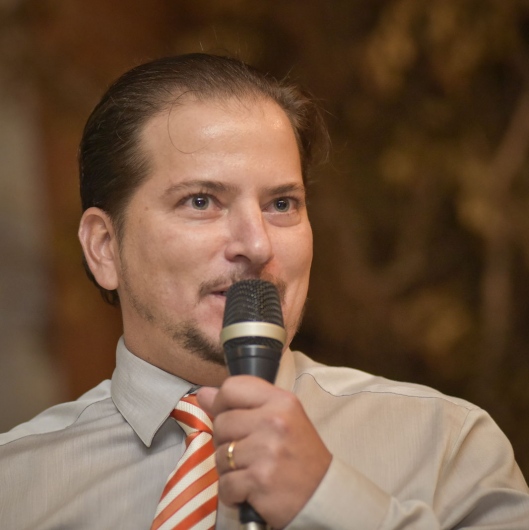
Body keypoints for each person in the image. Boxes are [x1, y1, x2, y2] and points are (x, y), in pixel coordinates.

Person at [1, 53, 528, 530]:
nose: (257, 245)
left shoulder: (445, 446)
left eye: (281, 204)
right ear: (104, 248)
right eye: (201, 201)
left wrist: (330, 502)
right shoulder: (16, 486)